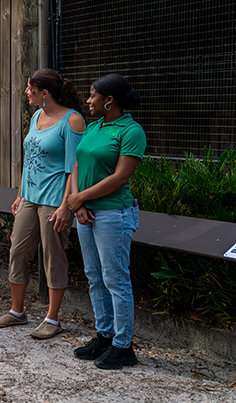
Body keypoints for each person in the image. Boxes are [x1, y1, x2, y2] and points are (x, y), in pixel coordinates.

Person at [0, 69, 85, 339]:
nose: (26, 92)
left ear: (45, 93)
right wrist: (20, 194)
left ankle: (52, 319)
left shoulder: (73, 120)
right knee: (17, 250)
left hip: (55, 200)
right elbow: (29, 158)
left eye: (30, 88)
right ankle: (17, 312)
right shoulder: (36, 116)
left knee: (53, 258)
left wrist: (66, 205)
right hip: (30, 198)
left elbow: (74, 166)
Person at [67, 73, 145, 370]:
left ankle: (123, 346)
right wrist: (78, 203)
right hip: (86, 212)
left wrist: (80, 198)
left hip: (114, 214)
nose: (88, 100)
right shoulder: (94, 126)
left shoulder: (131, 131)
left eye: (92, 96)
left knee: (115, 279)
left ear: (108, 100)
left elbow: (120, 177)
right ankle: (104, 335)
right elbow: (76, 164)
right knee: (94, 276)